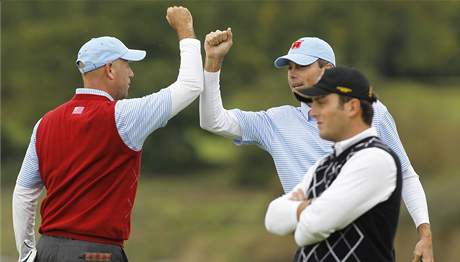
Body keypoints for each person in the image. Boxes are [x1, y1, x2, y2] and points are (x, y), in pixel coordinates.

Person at [200, 29, 434, 261]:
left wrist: (424, 232)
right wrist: (213, 63)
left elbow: (405, 173)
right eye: (289, 68)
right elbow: (213, 121)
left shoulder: (371, 113)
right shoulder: (275, 122)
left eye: (301, 66)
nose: (292, 74)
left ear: (328, 70)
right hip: (313, 252)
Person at [12, 6, 202, 262]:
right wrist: (185, 30)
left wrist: (26, 255)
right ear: (110, 69)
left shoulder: (44, 123)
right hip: (96, 253)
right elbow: (190, 86)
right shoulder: (123, 116)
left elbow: (24, 193)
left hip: (47, 250)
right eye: (127, 65)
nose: (131, 73)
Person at [265, 66, 402, 261]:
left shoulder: (376, 159)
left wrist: (301, 209)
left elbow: (311, 228)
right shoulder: (323, 163)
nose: (313, 112)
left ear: (352, 107)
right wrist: (311, 208)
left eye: (321, 103)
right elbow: (273, 218)